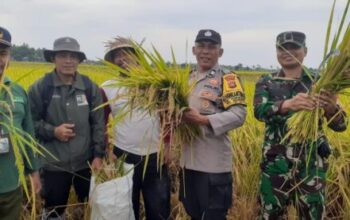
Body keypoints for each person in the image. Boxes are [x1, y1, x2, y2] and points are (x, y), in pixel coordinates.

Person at [253, 31, 347, 219]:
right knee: (271, 214)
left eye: (294, 47)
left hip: (311, 163)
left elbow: (340, 125)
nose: (287, 52)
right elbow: (259, 111)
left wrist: (330, 108)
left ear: (305, 51)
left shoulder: (320, 82)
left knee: (313, 214)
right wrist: (287, 105)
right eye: (282, 48)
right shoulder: (267, 81)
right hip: (275, 163)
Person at [28, 37, 105, 219]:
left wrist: (98, 155)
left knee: (88, 208)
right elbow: (29, 124)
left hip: (85, 164)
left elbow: (98, 124)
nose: (68, 61)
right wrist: (53, 131)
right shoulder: (41, 88)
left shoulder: (89, 88)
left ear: (78, 60)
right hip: (53, 164)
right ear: (54, 59)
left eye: (73, 56)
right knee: (54, 211)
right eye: (63, 55)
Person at [179, 29, 247, 220]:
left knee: (213, 215)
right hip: (187, 161)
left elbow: (239, 114)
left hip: (213, 165)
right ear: (194, 49)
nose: (205, 51)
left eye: (211, 47)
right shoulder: (186, 78)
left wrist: (202, 119)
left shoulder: (228, 79)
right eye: (201, 46)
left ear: (220, 52)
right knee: (192, 212)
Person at [101, 37, 170, 220]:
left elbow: (168, 117)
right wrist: (107, 150)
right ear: (113, 61)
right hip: (123, 155)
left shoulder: (156, 84)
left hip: (157, 156)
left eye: (127, 54)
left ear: (138, 57)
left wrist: (168, 146)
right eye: (117, 55)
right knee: (126, 209)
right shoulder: (108, 88)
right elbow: (99, 123)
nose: (123, 59)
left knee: (159, 209)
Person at [0, 26, 41, 220]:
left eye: (3, 53)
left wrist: (33, 171)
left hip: (12, 185)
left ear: (9, 57)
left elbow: (28, 135)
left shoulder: (18, 92)